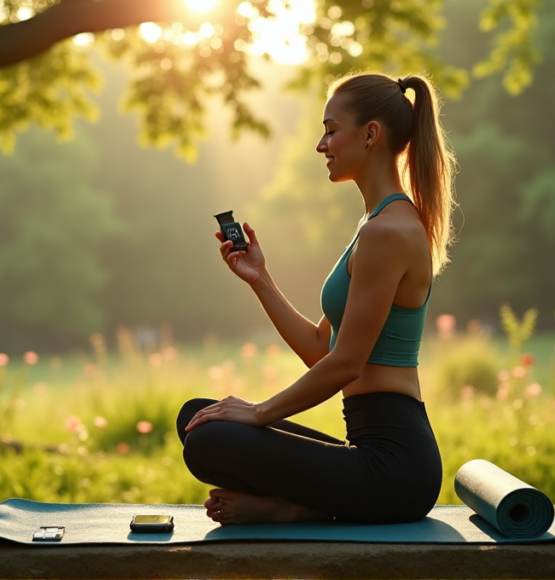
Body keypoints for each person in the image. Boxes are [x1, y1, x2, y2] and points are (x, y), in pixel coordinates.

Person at [175, 72, 456, 526]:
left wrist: (259, 412)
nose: (321, 145)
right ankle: (310, 503)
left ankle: (294, 509)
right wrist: (260, 279)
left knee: (210, 440)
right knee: (198, 419)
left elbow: (346, 365)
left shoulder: (388, 232)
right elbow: (319, 352)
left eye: (330, 129)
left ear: (370, 135)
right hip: (367, 451)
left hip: (395, 469)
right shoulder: (375, 226)